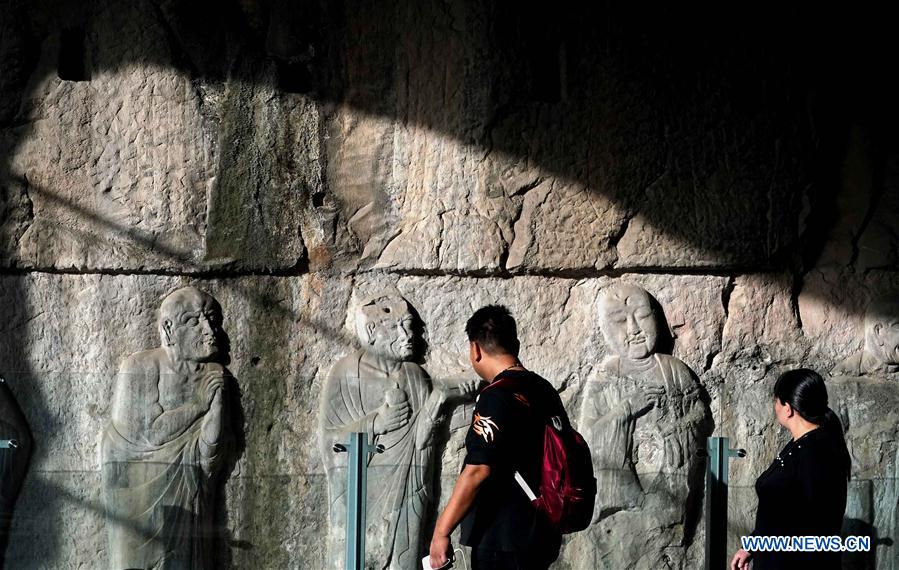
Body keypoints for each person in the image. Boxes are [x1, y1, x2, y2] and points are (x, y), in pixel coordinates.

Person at [101, 286, 232, 569]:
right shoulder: (140, 367)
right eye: (193, 321)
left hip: (187, 495)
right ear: (169, 329)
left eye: (211, 319)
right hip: (136, 496)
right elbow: (147, 435)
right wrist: (198, 405)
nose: (209, 329)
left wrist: (217, 407)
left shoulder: (212, 374)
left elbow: (209, 455)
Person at [429, 305, 565, 570]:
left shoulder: (496, 395)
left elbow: (479, 468)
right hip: (543, 531)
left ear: (475, 349)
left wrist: (441, 532)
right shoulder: (544, 389)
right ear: (515, 343)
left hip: (504, 537)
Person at [730, 369, 850, 570]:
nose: (774, 406)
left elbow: (812, 525)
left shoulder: (816, 452)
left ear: (788, 408)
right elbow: (779, 514)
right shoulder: (800, 445)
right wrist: (751, 546)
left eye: (776, 401)